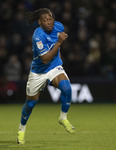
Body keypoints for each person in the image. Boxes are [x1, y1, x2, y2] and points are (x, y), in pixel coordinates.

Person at [17, 8, 75, 144]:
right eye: (45, 20)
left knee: (67, 88)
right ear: (39, 22)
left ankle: (63, 117)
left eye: (50, 19)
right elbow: (44, 59)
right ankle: (21, 129)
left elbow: (56, 42)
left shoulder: (59, 26)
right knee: (31, 103)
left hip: (54, 67)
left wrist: (59, 55)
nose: (49, 22)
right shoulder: (38, 36)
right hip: (38, 72)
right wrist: (59, 43)